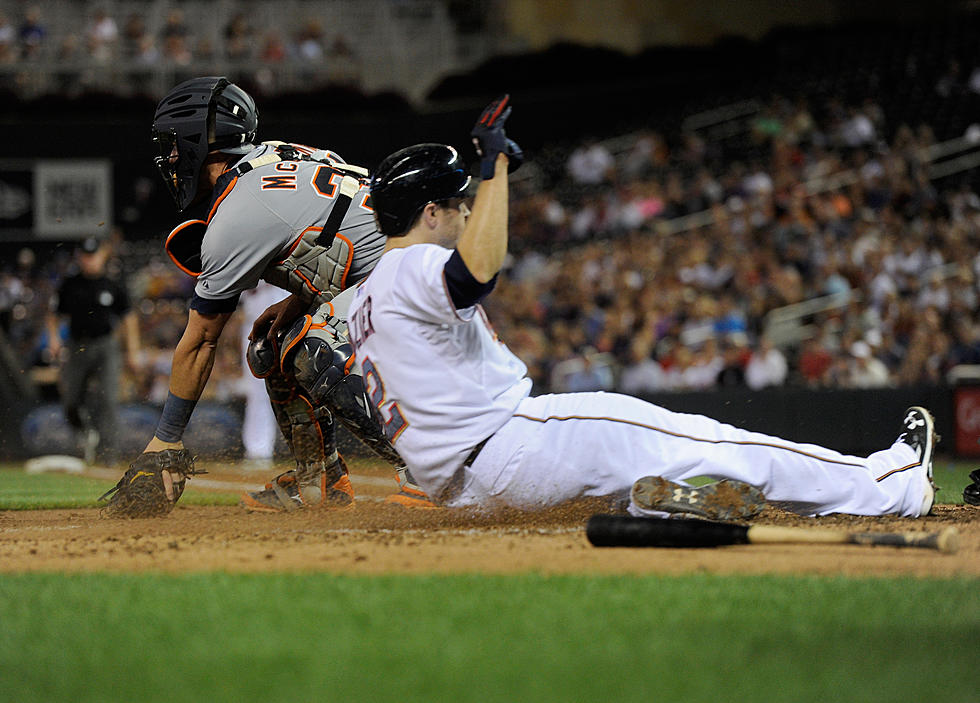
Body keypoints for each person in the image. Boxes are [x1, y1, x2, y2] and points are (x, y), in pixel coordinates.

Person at [346, 97, 937, 520]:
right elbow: (474, 275)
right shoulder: (412, 266)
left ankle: (670, 508)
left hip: (465, 490)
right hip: (519, 446)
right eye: (457, 202)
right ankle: (891, 485)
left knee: (649, 486)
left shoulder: (364, 299)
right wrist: (493, 166)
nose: (467, 210)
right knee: (712, 441)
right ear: (430, 214)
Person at [101, 76, 432, 517]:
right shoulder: (273, 157)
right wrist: (299, 301)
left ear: (203, 140)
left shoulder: (236, 212)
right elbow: (340, 230)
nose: (170, 157)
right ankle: (318, 484)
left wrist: (167, 437)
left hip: (415, 284)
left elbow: (201, 340)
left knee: (310, 345)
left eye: (176, 144)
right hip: (413, 271)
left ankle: (430, 470)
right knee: (271, 344)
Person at [47, 237, 141, 464]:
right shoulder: (70, 285)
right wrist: (54, 339)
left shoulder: (112, 284)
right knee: (71, 400)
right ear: (79, 257)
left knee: (108, 399)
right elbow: (54, 315)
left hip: (106, 346)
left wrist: (133, 350)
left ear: (102, 256)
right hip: (77, 345)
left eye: (93, 255)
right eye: (85, 256)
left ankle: (109, 455)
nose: (89, 261)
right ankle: (86, 434)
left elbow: (128, 318)